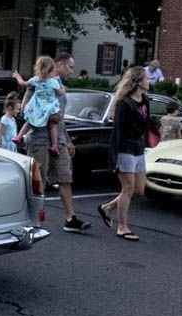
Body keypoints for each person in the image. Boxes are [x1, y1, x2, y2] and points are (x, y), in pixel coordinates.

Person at [25, 52, 92, 233]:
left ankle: (70, 219)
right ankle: (32, 219)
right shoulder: (38, 83)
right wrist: (47, 117)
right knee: (38, 181)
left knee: (65, 177)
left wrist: (68, 140)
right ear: (59, 64)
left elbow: (60, 118)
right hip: (39, 139)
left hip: (59, 140)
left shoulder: (60, 87)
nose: (72, 71)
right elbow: (25, 109)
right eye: (70, 67)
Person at [97, 67, 151, 242]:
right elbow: (117, 131)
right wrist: (114, 157)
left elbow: (145, 124)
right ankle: (122, 227)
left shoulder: (145, 100)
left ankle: (107, 208)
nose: (149, 81)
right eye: (146, 78)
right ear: (138, 82)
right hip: (125, 149)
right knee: (128, 189)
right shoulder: (125, 103)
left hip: (138, 149)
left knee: (139, 190)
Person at [14, 56, 65, 156]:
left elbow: (23, 83)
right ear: (51, 69)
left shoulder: (35, 80)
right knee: (53, 126)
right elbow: (60, 93)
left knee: (30, 122)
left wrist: (17, 76)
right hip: (50, 109)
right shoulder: (53, 82)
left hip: (38, 108)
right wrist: (62, 87)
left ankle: (19, 137)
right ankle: (54, 146)